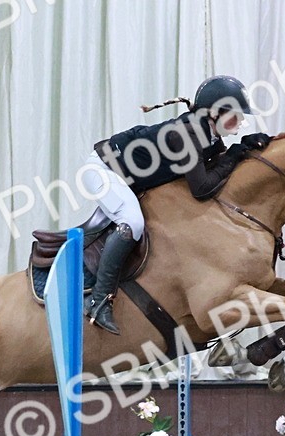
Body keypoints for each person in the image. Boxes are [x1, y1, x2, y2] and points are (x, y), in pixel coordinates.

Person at [81, 75, 271, 334]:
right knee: (132, 223)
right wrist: (237, 153)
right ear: (214, 113)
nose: (240, 122)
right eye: (235, 115)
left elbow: (215, 168)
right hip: (103, 170)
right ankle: (99, 299)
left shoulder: (208, 133)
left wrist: (245, 150)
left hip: (128, 175)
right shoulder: (188, 134)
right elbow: (202, 188)